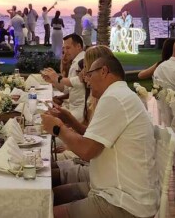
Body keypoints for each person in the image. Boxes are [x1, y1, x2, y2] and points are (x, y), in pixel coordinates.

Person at [43, 54, 158, 218]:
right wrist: (68, 119)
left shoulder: (114, 98)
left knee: (46, 212)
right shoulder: (119, 94)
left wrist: (57, 129)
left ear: (104, 71)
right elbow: (93, 140)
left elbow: (87, 151)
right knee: (52, 195)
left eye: (89, 74)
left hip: (124, 202)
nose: (86, 81)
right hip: (111, 188)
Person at [41, 33, 86, 121]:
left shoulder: (82, 61)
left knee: (45, 116)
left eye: (68, 48)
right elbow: (66, 89)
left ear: (79, 47)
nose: (65, 51)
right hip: (72, 107)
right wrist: (53, 81)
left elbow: (79, 81)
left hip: (79, 110)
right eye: (64, 48)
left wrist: (57, 78)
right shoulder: (76, 62)